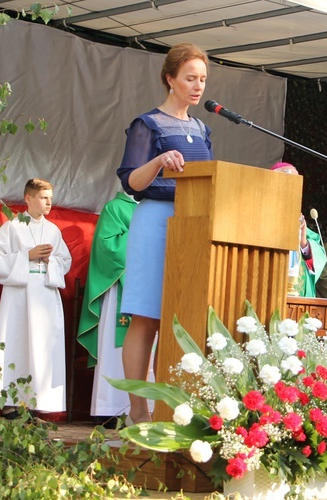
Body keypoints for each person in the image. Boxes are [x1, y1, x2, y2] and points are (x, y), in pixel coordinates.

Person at [117, 42, 213, 424]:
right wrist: (158, 160)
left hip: (193, 225)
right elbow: (131, 183)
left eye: (203, 79)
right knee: (147, 316)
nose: (198, 85)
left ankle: (166, 407)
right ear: (170, 79)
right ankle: (137, 408)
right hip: (155, 221)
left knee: (179, 317)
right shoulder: (148, 124)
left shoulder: (203, 128)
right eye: (190, 78)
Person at [0, 178, 72, 415]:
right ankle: (10, 405)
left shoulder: (53, 230)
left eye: (51, 199)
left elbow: (65, 262)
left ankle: (36, 406)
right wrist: (27, 256)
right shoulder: (12, 228)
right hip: (19, 296)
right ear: (28, 199)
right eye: (44, 198)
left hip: (45, 293)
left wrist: (49, 260)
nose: (48, 203)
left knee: (42, 349)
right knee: (16, 344)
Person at [77, 192, 151, 425]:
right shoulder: (115, 208)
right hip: (121, 287)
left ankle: (146, 408)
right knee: (114, 349)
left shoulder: (153, 208)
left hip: (148, 287)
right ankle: (110, 409)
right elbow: (108, 247)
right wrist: (145, 234)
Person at [270, 162, 326, 298]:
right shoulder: (264, 214)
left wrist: (303, 243)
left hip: (297, 295)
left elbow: (317, 261)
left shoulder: (299, 218)